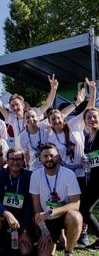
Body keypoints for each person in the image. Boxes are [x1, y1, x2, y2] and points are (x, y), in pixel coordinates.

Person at [29, 143, 82, 256]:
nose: (49, 159)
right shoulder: (35, 176)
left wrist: (51, 212)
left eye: (52, 155)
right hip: (46, 220)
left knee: (76, 217)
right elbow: (37, 207)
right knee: (44, 254)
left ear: (58, 156)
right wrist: (44, 231)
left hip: (63, 216)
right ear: (40, 158)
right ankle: (55, 237)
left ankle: (68, 252)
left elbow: (75, 204)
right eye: (45, 156)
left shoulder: (69, 174)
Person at [0, 74, 58, 148]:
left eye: (17, 104)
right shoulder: (13, 119)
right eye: (12, 105)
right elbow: (1, 107)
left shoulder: (33, 114)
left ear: (23, 105)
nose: (15, 107)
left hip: (36, 151)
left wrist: (53, 90)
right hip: (20, 155)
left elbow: (47, 104)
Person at [0, 147, 34, 255]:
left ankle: (22, 238)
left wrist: (25, 230)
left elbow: (30, 204)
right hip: (4, 218)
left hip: (23, 220)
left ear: (23, 161)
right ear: (7, 161)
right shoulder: (0, 174)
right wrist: (6, 213)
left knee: (25, 252)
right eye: (12, 159)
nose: (15, 162)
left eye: (18, 159)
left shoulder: (30, 176)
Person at [79, 107, 99, 250]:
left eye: (94, 116)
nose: (92, 120)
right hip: (94, 178)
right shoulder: (87, 137)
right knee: (84, 209)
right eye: (89, 118)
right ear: (85, 122)